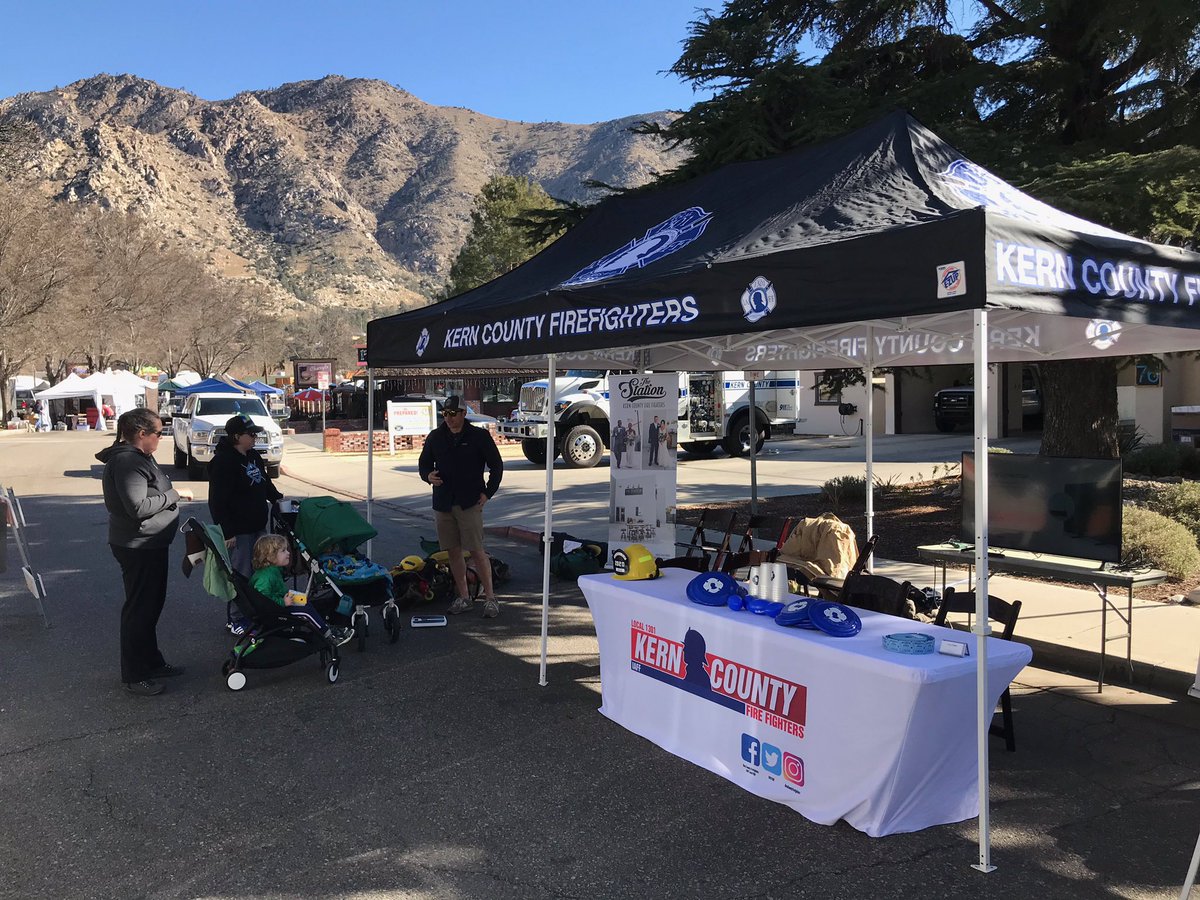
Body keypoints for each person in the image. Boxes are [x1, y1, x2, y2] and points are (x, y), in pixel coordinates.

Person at [97, 408, 194, 696]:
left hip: (151, 544)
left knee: (150, 607)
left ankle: (152, 661)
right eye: (158, 433)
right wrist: (175, 495)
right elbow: (137, 507)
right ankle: (135, 674)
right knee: (139, 610)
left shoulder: (140, 458)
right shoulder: (128, 462)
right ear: (142, 434)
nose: (160, 438)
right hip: (138, 546)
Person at [418, 396, 504, 617]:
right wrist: (428, 476)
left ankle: (491, 599)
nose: (449, 418)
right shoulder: (436, 437)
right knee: (453, 552)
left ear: (464, 413)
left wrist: (488, 492)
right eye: (445, 414)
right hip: (443, 503)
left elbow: (496, 465)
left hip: (470, 502)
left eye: (453, 413)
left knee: (476, 550)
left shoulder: (479, 436)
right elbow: (424, 463)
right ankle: (464, 597)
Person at [208, 413, 283, 578]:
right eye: (251, 434)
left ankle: (261, 603)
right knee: (243, 573)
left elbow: (264, 483)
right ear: (237, 436)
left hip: (258, 526)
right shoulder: (223, 462)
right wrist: (227, 531)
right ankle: (241, 604)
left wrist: (277, 498)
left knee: (263, 570)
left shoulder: (254, 456)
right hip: (239, 531)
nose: (255, 437)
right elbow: (217, 500)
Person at [249, 535, 352, 645]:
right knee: (306, 612)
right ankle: (329, 636)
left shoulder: (272, 571)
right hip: (275, 611)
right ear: (270, 557)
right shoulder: (266, 577)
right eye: (283, 551)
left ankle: (324, 628)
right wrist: (282, 602)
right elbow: (263, 600)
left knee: (305, 602)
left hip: (278, 606)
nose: (288, 553)